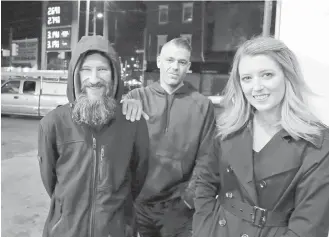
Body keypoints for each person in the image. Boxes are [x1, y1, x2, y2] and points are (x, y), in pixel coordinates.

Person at [192, 36, 329, 237]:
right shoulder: (228, 127)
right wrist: (204, 230)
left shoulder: (317, 141)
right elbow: (204, 183)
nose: (256, 87)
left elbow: (310, 225)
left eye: (267, 75)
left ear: (287, 76)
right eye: (247, 78)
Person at [37, 35, 149, 237]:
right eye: (86, 70)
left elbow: (138, 178)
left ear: (114, 75)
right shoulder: (52, 124)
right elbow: (51, 182)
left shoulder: (133, 123)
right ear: (75, 75)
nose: (95, 79)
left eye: (103, 69)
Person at [122, 37, 216, 237]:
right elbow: (118, 150)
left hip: (179, 208)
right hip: (138, 204)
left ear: (188, 66)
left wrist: (188, 200)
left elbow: (207, 158)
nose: (175, 67)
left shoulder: (202, 105)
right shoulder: (136, 98)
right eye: (169, 60)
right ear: (158, 61)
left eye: (182, 62)